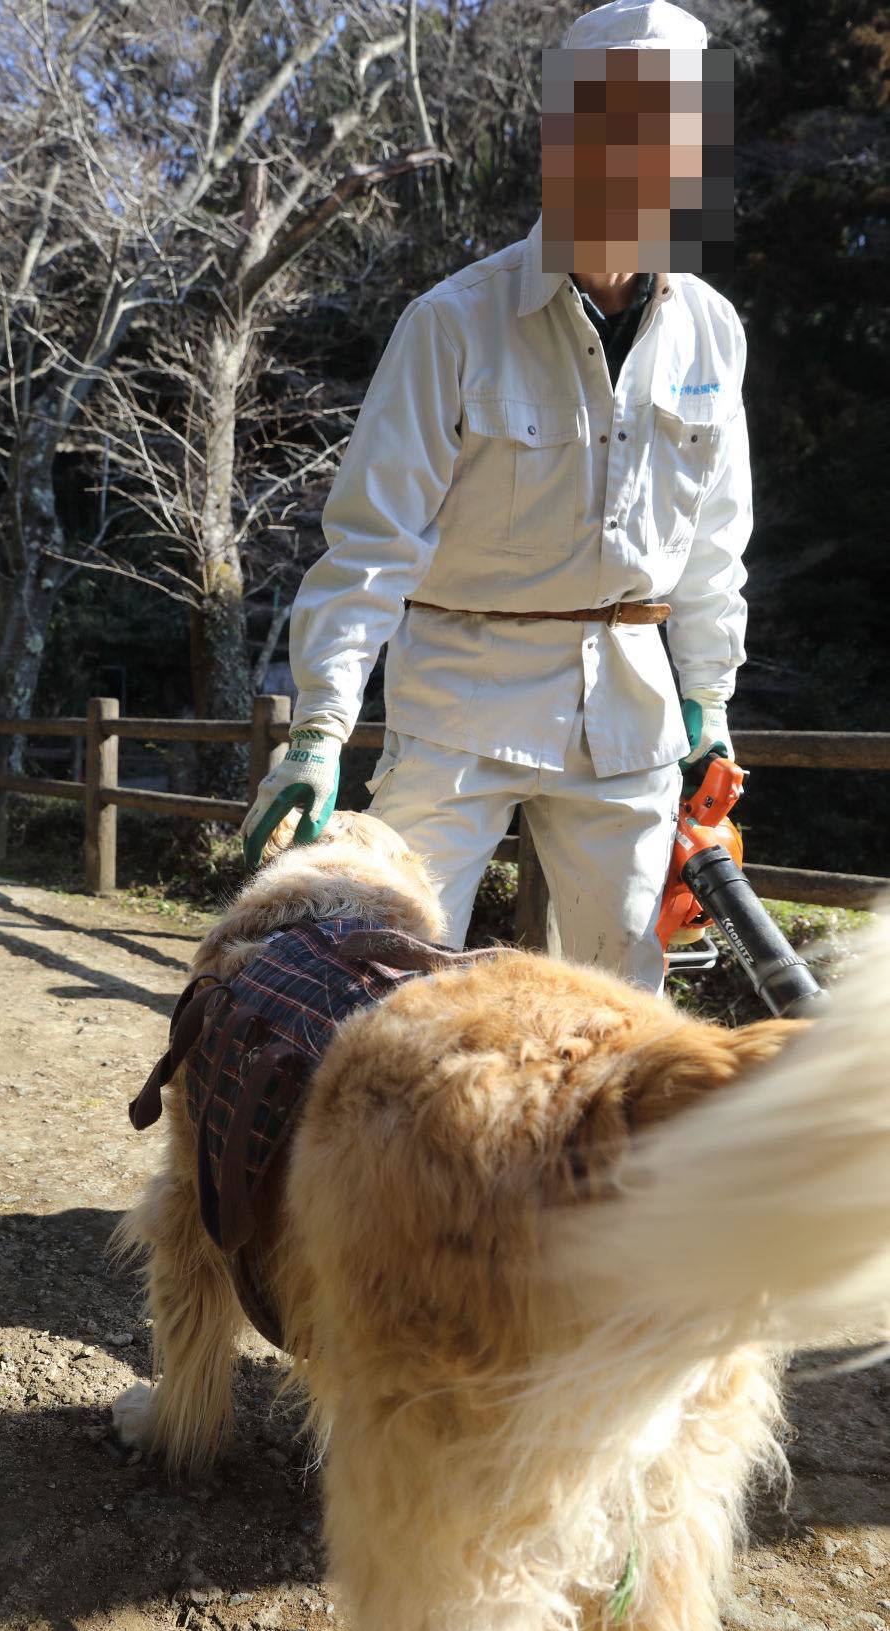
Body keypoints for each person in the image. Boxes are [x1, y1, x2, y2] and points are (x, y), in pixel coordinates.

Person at [242, 0, 749, 993]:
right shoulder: (454, 323)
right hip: (458, 697)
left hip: (630, 710)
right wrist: (317, 733)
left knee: (618, 1003)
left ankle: (592, 1159)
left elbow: (712, 540)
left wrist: (708, 698)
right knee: (388, 980)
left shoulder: (710, 330)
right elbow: (368, 544)